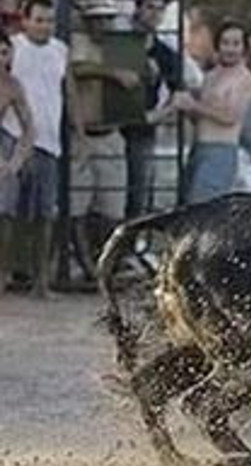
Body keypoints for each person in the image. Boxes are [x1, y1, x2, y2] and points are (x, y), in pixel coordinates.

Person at [1, 0, 85, 298]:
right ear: (25, 20)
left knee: (45, 216)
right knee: (6, 213)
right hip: (13, 135)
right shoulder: (12, 47)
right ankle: (4, 277)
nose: (44, 25)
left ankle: (42, 282)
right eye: (39, 20)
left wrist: (80, 134)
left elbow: (70, 93)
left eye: (49, 20)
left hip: (50, 142)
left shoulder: (60, 50)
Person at [68, 0, 137, 284]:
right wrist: (112, 73)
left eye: (107, 19)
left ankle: (104, 265)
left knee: (112, 208)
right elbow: (75, 69)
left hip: (111, 134)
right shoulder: (76, 43)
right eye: (96, 18)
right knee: (77, 207)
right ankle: (86, 266)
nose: (102, 24)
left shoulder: (121, 47)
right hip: (82, 134)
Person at [169, 19, 251, 204]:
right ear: (217, 45)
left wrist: (194, 105)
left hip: (221, 152)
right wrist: (184, 105)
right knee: (186, 205)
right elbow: (200, 117)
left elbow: (231, 116)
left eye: (236, 44)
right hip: (199, 149)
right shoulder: (210, 76)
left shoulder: (244, 78)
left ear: (244, 47)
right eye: (225, 43)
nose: (230, 49)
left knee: (202, 207)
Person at [122, 0, 181, 220]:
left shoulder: (164, 53)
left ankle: (129, 250)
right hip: (111, 129)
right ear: (138, 8)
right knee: (106, 198)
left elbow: (180, 94)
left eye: (160, 8)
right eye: (149, 7)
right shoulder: (120, 43)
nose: (155, 14)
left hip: (143, 132)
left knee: (139, 195)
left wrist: (157, 115)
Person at [0, 29, 35, 295]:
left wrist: (15, 160)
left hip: (3, 154)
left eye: (3, 52)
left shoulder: (12, 85)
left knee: (5, 216)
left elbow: (29, 129)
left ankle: (3, 275)